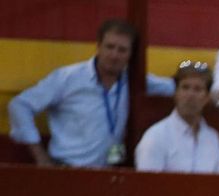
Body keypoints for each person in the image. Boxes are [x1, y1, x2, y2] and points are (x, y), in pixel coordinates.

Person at [7, 19, 176, 168]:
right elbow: (20, 105)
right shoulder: (68, 78)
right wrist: (40, 156)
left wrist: (198, 69)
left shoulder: (134, 81)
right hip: (67, 171)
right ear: (98, 47)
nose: (114, 55)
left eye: (122, 50)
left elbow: (179, 87)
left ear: (130, 55)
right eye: (109, 47)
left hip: (108, 176)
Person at [135, 61, 219, 174]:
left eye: (197, 89)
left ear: (207, 97)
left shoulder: (212, 138)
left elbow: (218, 186)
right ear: (176, 93)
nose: (190, 95)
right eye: (185, 87)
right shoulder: (155, 137)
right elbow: (147, 187)